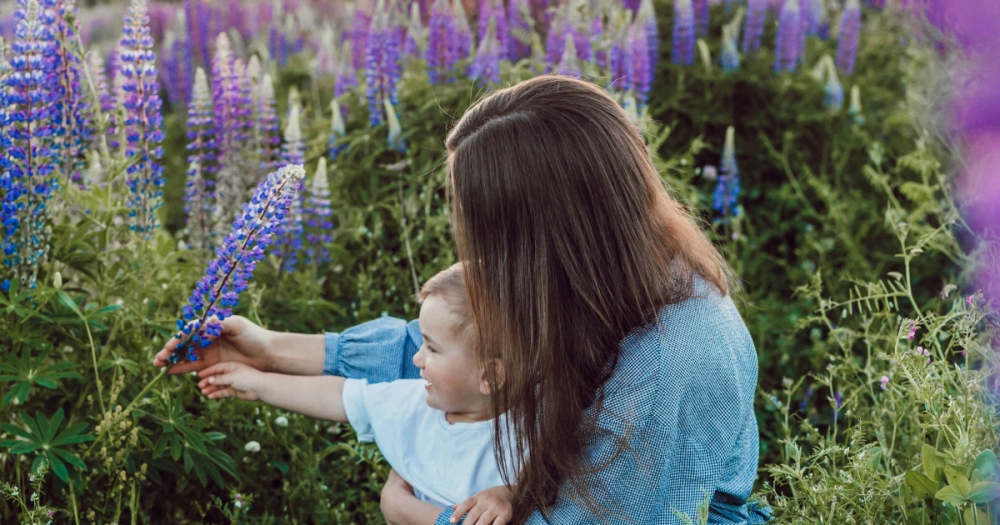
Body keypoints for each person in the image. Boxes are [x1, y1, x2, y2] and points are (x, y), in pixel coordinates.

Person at [156, 75, 767, 524]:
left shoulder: (669, 362)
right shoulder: (613, 278)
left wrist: (415, 514)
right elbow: (454, 353)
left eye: (488, 237)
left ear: (545, 237)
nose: (476, 253)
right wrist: (268, 350)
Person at [189, 264, 516, 525]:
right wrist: (256, 382)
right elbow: (341, 396)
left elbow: (545, 488)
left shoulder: (533, 426)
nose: (417, 359)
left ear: (489, 376)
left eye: (431, 348)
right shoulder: (413, 404)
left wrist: (510, 493)